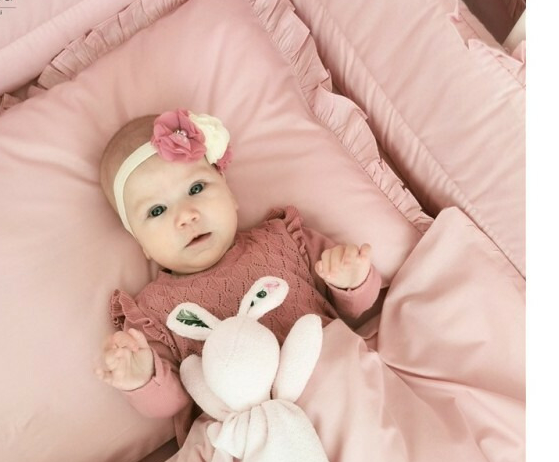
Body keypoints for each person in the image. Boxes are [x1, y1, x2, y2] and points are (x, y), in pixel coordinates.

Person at [96, 109, 381, 441]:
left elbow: (353, 309)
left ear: (229, 194)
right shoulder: (153, 312)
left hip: (337, 390)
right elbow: (171, 401)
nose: (186, 215)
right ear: (141, 244)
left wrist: (351, 280)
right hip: (249, 438)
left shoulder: (282, 240)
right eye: (157, 210)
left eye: (196, 188)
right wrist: (141, 376)